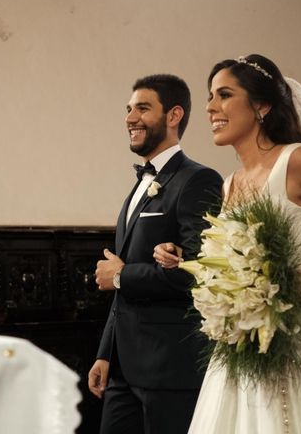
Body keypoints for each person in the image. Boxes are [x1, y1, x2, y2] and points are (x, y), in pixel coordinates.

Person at [154, 54, 301, 433]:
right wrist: (189, 262)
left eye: (224, 94)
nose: (210, 107)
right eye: (209, 96)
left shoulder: (298, 162)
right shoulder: (228, 183)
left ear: (262, 105)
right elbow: (241, 256)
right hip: (246, 346)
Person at [88, 74, 223, 434]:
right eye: (129, 109)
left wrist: (120, 275)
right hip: (123, 369)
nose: (130, 118)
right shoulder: (140, 185)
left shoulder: (198, 180)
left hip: (170, 368)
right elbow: (124, 279)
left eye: (143, 108)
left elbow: (198, 272)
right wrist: (106, 353)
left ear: (174, 115)